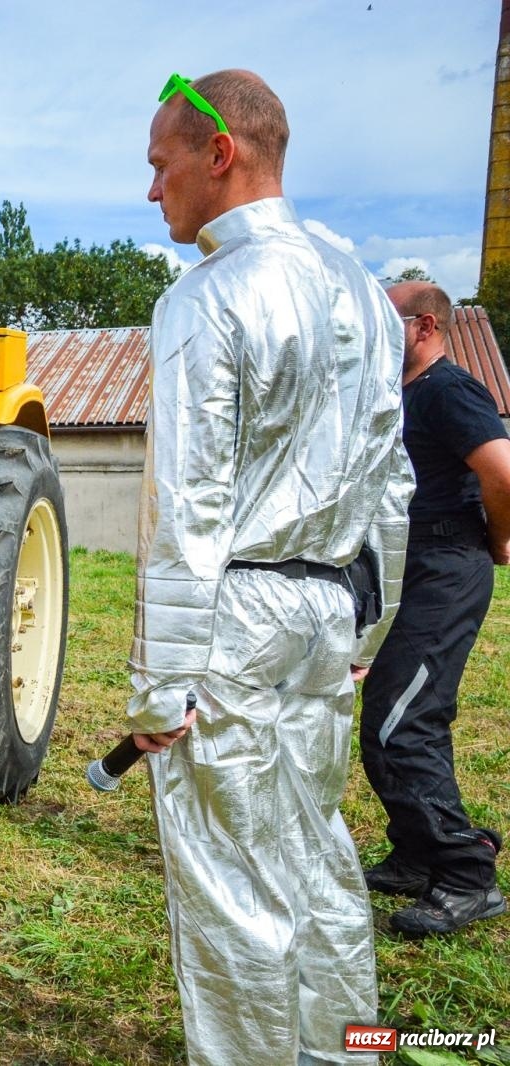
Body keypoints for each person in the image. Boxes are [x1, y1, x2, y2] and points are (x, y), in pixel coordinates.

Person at [128, 70, 411, 1064]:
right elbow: (394, 483)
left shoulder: (209, 296)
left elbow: (187, 505)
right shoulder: (364, 294)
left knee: (227, 886)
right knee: (313, 851)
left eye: (160, 166)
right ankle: (348, 1050)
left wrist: (160, 687)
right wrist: (364, 630)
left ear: (220, 154)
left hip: (235, 615)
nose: (151, 190)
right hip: (328, 607)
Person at [359, 282, 509, 935]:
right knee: (391, 716)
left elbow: (501, 471)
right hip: (415, 568)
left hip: (450, 567)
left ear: (423, 326)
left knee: (402, 723)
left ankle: (468, 875)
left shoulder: (449, 389)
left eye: (382, 322)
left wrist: (498, 538)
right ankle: (419, 853)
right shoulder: (403, 393)